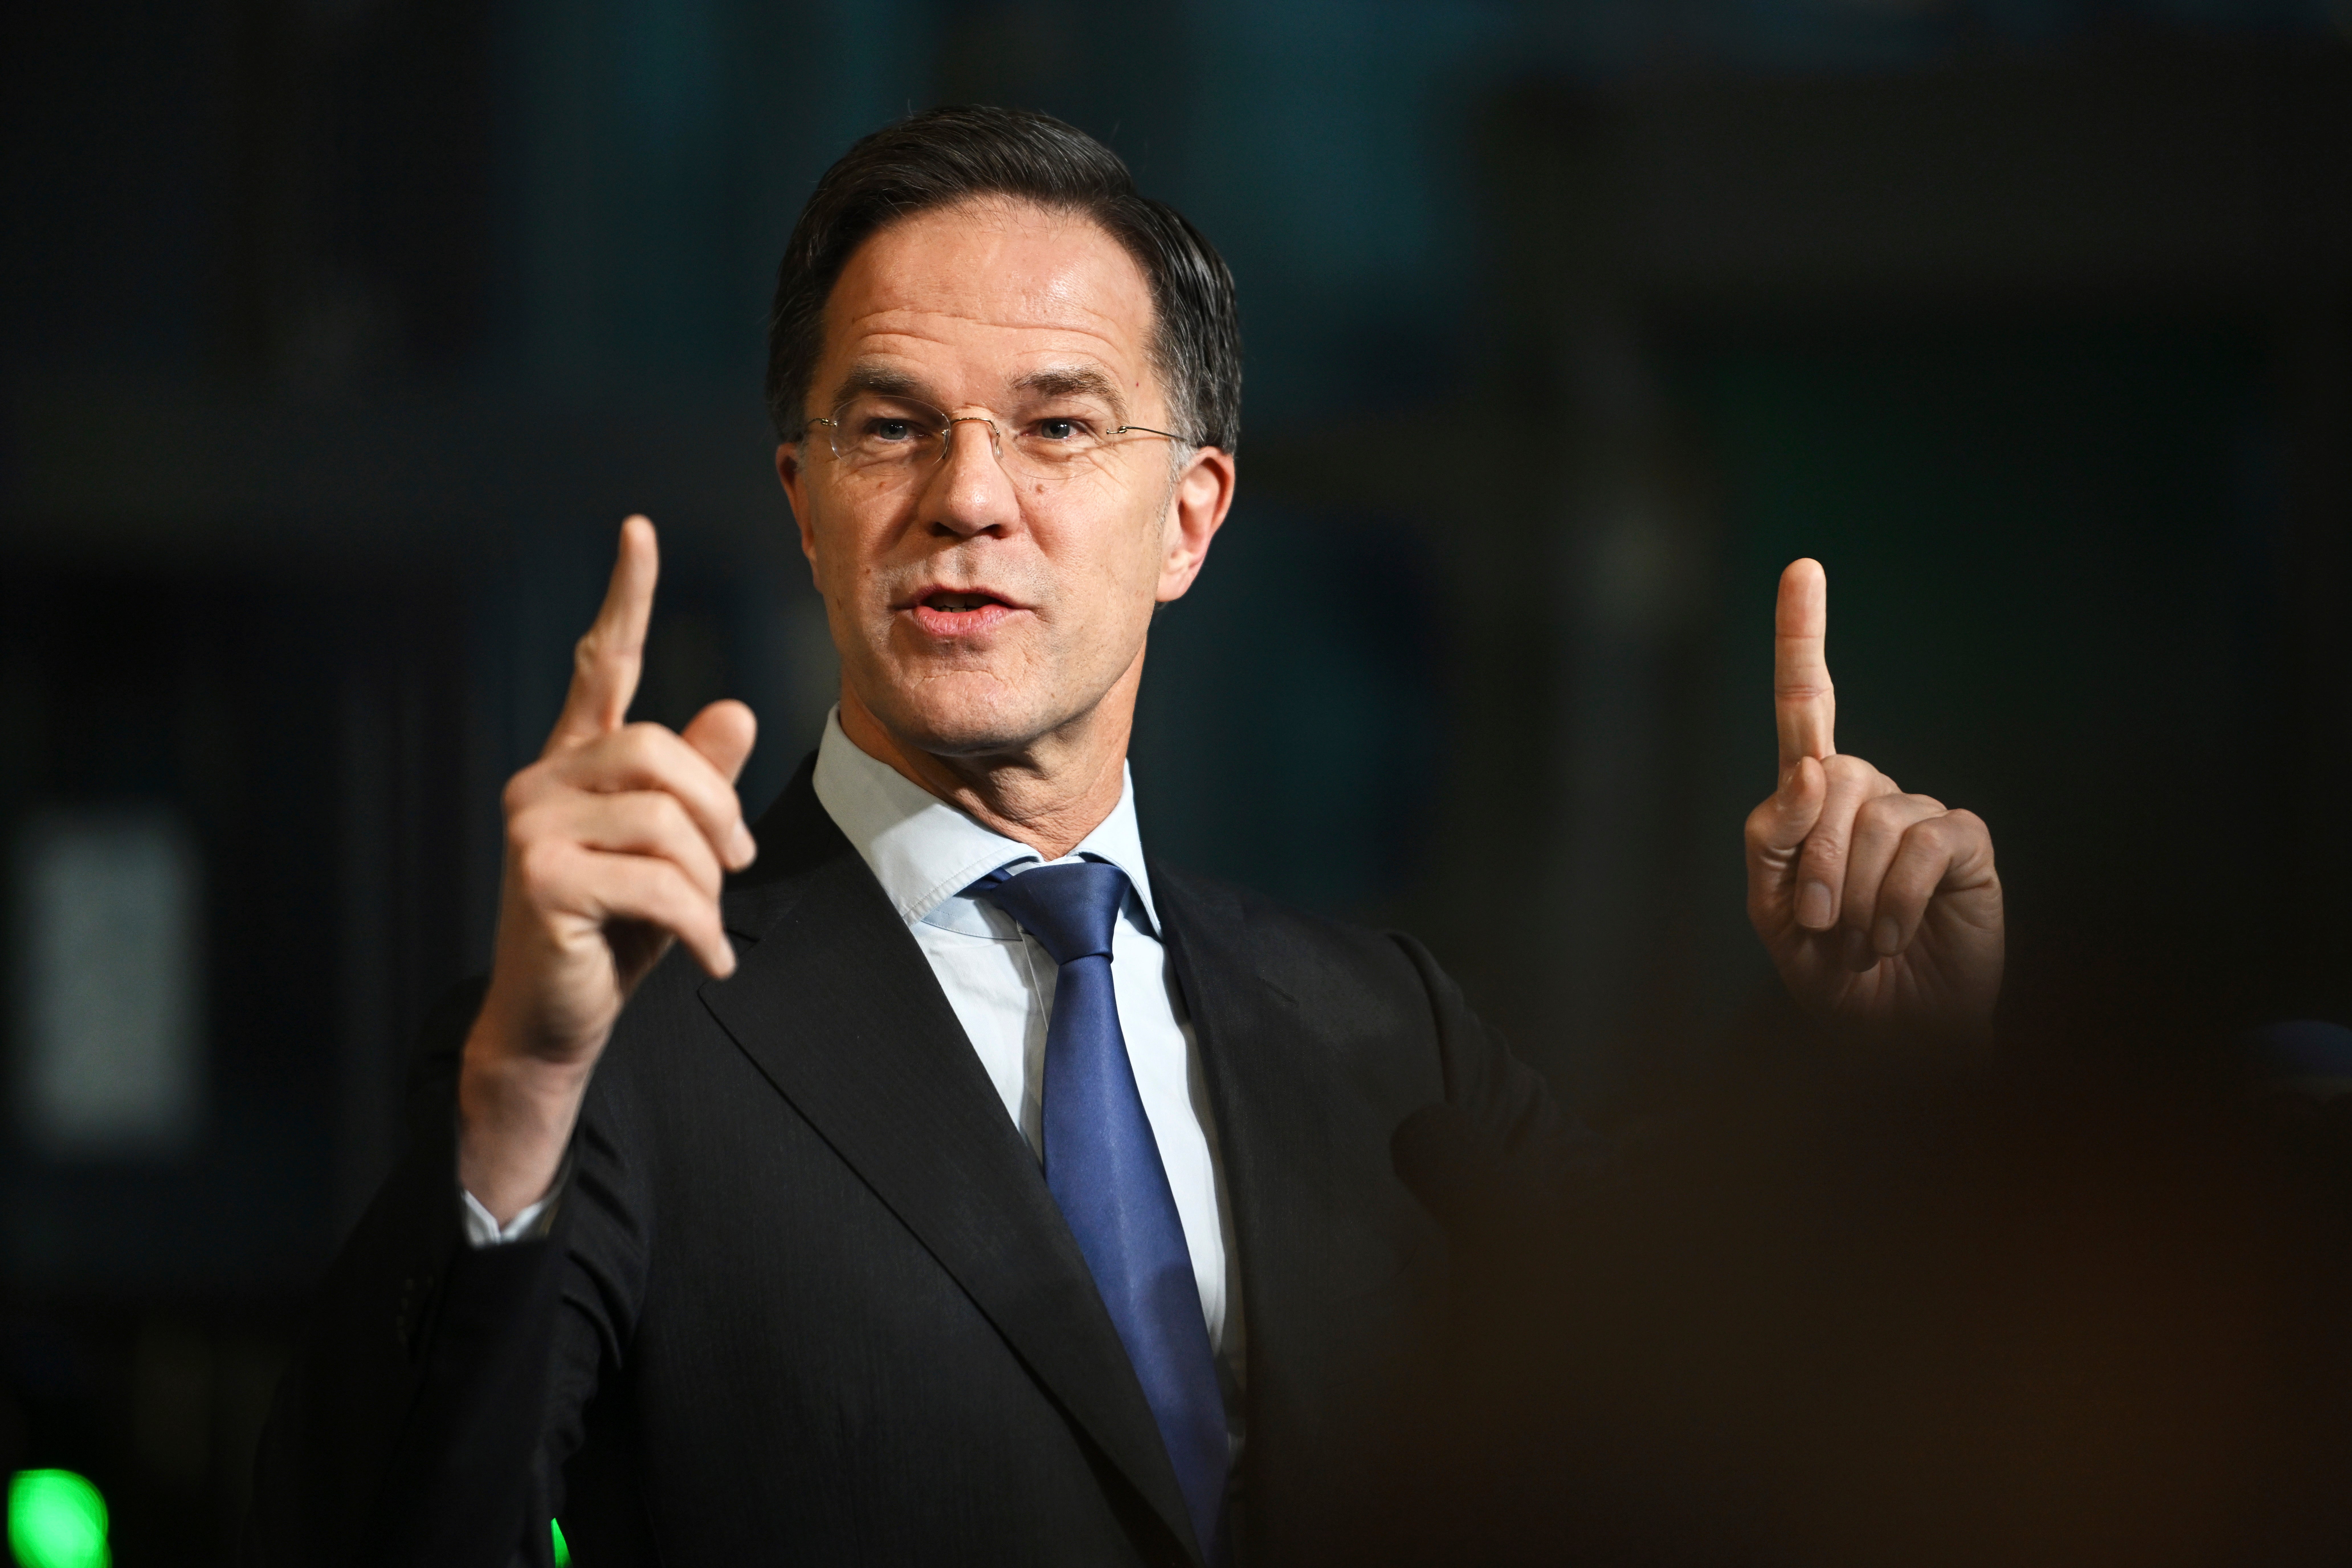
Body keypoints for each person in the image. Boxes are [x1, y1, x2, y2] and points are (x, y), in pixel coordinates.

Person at [244, 106, 2002, 1567]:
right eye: (891, 428)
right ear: (802, 499)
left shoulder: (1383, 1034)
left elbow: (1714, 1422)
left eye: (1060, 426)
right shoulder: (611, 1046)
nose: (971, 498)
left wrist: (1878, 1072)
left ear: (1189, 517)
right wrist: (517, 1110)